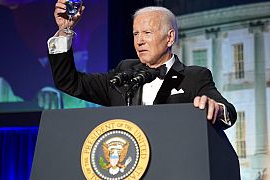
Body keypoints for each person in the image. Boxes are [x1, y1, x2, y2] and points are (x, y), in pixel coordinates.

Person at [48, 1, 237, 129]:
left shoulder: (195, 77)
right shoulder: (123, 74)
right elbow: (69, 82)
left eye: (147, 33)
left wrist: (216, 109)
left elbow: (228, 111)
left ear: (169, 37)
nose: (139, 41)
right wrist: (65, 30)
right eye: (135, 34)